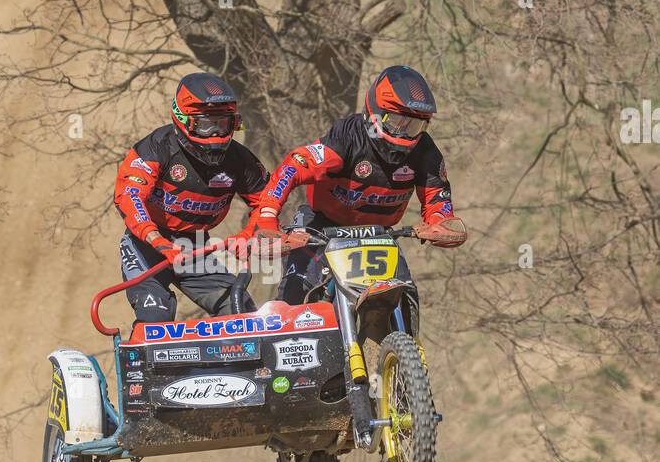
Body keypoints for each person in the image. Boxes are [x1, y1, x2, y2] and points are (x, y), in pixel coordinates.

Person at [254, 65, 467, 331]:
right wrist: (267, 218)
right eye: (397, 122)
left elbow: (437, 198)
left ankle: (406, 358)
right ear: (375, 114)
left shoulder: (425, 152)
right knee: (295, 292)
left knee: (406, 290)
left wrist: (439, 222)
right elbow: (293, 166)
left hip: (377, 234)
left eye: (415, 125)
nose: (404, 133)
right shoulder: (347, 137)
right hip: (319, 224)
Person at [114, 72, 268, 321]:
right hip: (147, 246)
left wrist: (248, 234)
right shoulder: (155, 148)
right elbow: (128, 195)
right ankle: (139, 358)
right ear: (183, 120)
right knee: (155, 318)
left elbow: (268, 200)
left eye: (223, 124)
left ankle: (237, 360)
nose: (216, 134)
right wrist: (156, 239)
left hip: (194, 246)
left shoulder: (241, 160)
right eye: (206, 125)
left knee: (241, 313)